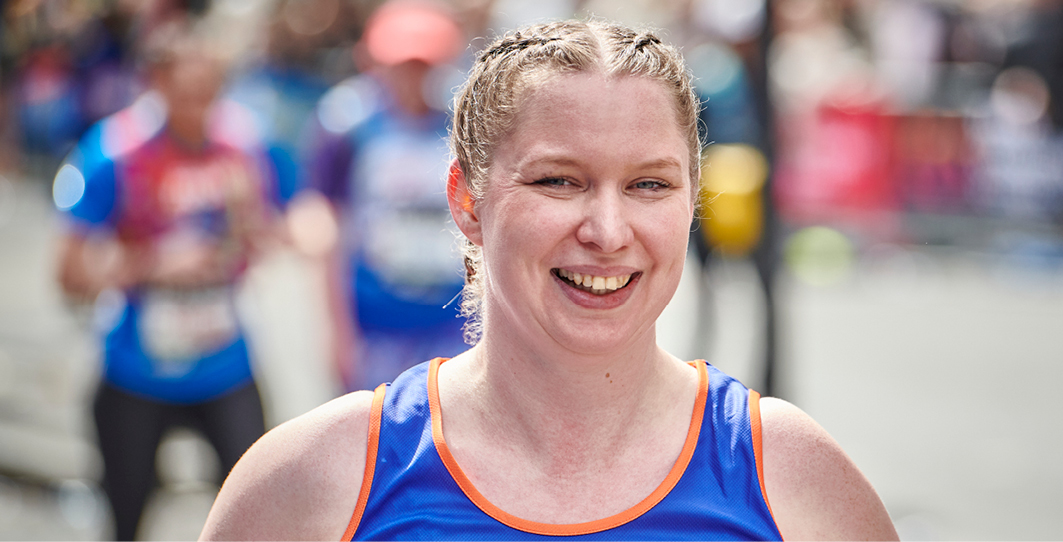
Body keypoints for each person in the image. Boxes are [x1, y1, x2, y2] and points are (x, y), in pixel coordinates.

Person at [200, 20, 898, 541]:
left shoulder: (790, 478)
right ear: (467, 201)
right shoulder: (312, 482)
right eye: (558, 180)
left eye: (649, 183)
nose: (608, 228)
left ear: (692, 201)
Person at [54, 36, 274, 541]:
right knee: (126, 519)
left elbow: (271, 230)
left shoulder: (242, 144)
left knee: (261, 514)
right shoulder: (113, 153)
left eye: (211, 90)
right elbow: (67, 274)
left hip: (225, 367)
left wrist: (252, 228)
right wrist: (151, 264)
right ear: (155, 84)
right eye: (188, 91)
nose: (202, 106)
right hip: (135, 371)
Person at [302, 0, 470, 392]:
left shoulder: (464, 120)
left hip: (453, 320)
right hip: (375, 323)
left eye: (424, 64)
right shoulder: (345, 123)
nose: (412, 76)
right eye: (401, 64)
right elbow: (327, 231)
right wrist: (336, 332)